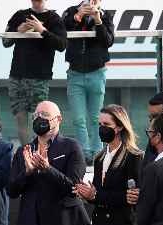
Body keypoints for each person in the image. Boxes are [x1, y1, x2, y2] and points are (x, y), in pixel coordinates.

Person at [4, 0, 67, 145]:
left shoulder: (54, 19)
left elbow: (62, 45)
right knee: (20, 118)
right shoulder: (20, 15)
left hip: (39, 78)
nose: (37, 2)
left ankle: (39, 152)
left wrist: (42, 30)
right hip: (17, 75)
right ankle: (26, 153)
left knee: (40, 119)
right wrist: (17, 31)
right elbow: (5, 42)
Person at [62, 0, 115, 161]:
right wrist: (78, 16)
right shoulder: (71, 12)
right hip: (75, 73)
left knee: (95, 118)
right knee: (78, 118)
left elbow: (108, 41)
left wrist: (98, 20)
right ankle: (83, 153)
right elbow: (62, 33)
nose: (92, 2)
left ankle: (97, 152)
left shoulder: (105, 15)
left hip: (97, 73)